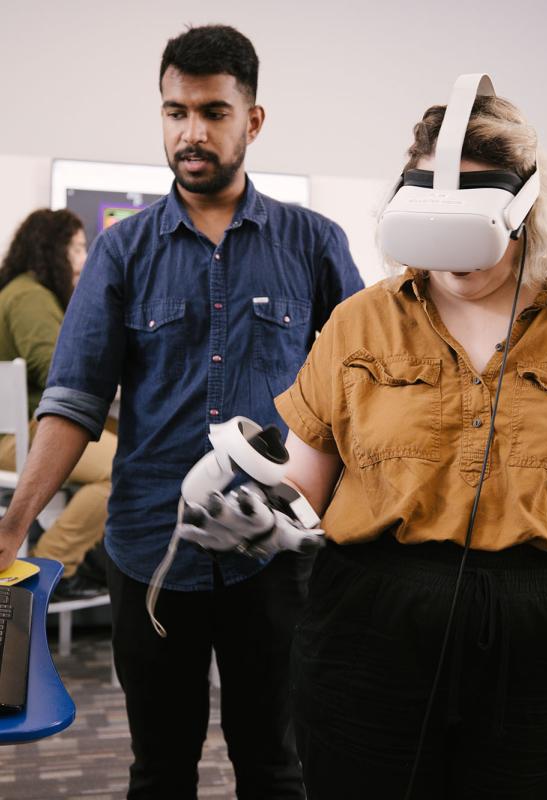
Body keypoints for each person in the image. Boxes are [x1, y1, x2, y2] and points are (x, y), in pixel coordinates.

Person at [268, 94, 547, 798]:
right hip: (369, 629)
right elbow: (301, 483)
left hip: (543, 639)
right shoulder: (359, 324)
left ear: (527, 209)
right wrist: (255, 513)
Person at [0, 24, 363, 800]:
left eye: (213, 112)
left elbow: (364, 395)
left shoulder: (314, 243)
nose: (191, 132)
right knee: (158, 769)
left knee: (276, 765)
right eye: (175, 112)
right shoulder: (121, 252)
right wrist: (14, 520)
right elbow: (72, 399)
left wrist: (326, 507)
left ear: (252, 120)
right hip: (149, 549)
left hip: (278, 559)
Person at [0, 208, 115, 599]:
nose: (84, 259)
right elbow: (59, 371)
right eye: (78, 248)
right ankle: (54, 564)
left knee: (117, 434)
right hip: (17, 438)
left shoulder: (19, 291)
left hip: (19, 432)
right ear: (53, 250)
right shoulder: (30, 297)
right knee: (126, 467)